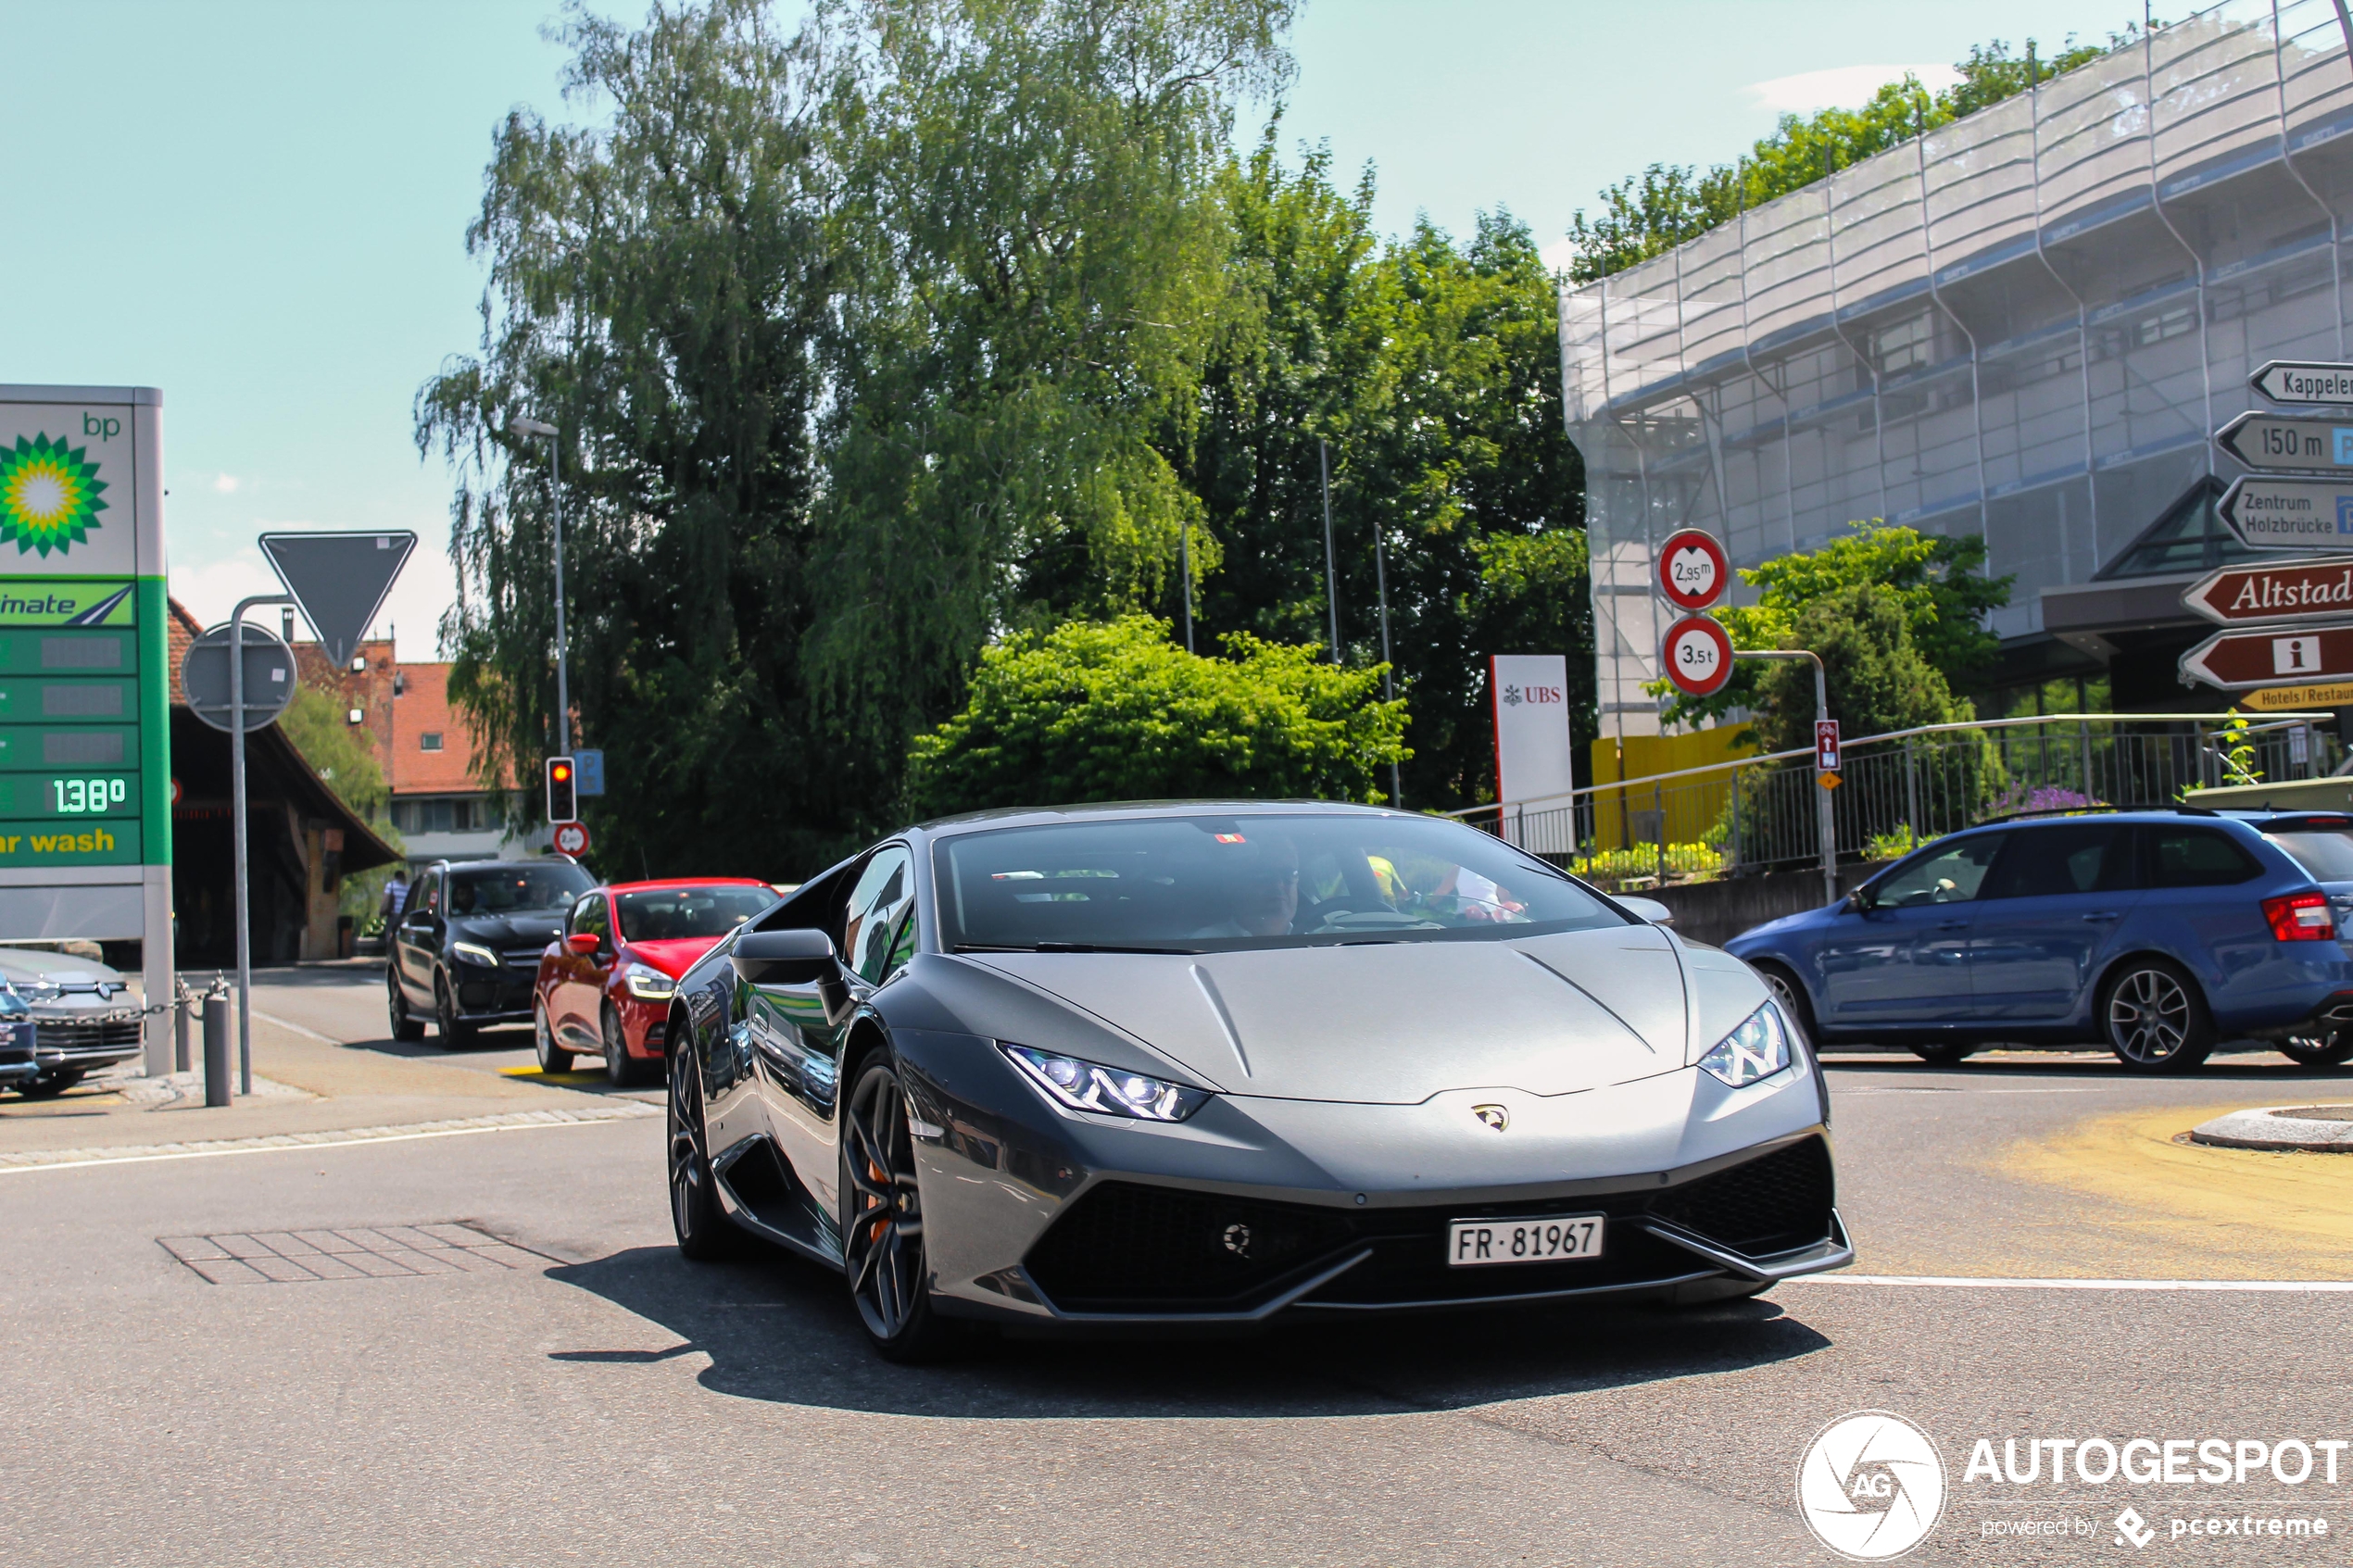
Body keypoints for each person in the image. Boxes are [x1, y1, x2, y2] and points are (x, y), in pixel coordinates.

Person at [1190, 835, 1299, 937]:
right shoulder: (1206, 944)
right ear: (1233, 886)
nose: (1278, 884)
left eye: (1288, 874)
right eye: (1264, 875)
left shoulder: (1313, 937)